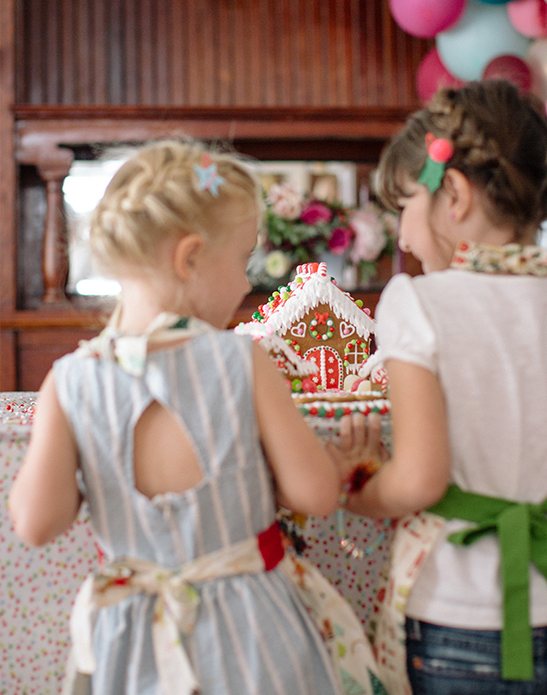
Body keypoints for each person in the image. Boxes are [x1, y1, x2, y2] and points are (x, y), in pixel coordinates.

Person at [8, 139, 379, 695]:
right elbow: (316, 494)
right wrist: (340, 463)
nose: (245, 285)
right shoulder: (241, 360)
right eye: (241, 262)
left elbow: (37, 523)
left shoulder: (70, 381)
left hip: (132, 643)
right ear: (189, 258)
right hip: (253, 637)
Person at [328, 80, 547, 695]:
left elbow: (421, 478)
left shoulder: (417, 302)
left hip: (460, 617)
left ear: (453, 193)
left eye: (403, 209)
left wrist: (360, 490)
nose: (401, 237)